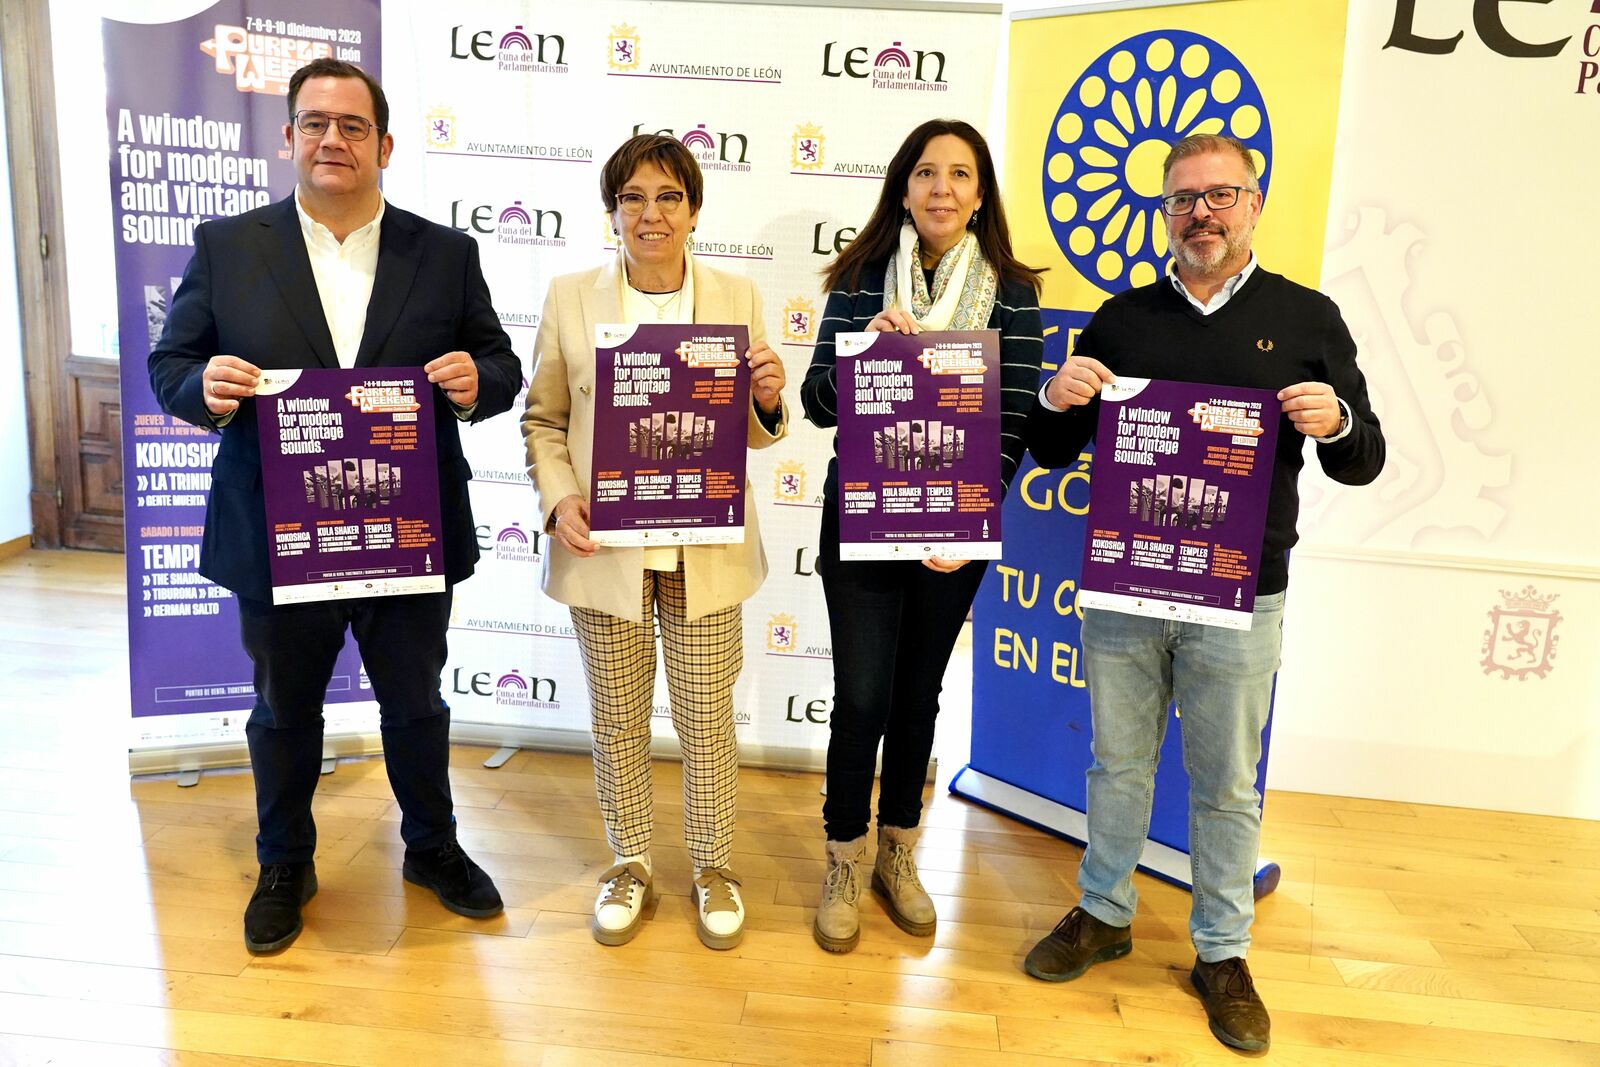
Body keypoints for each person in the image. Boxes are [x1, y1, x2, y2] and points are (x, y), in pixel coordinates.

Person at [1020, 133, 1385, 1052]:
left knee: (1225, 784)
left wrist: (1337, 420)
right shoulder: (1122, 316)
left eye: (1220, 196)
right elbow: (1055, 451)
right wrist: (1058, 397)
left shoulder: (1309, 318)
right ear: (1165, 213)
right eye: (1183, 200)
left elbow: (1365, 459)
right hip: (1128, 584)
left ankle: (1222, 951)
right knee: (1117, 764)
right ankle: (1103, 913)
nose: (1201, 215)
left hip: (1241, 596)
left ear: (1254, 203)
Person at [147, 59, 520, 953]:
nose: (332, 140)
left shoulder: (445, 252)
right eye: (314, 123)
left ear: (384, 145)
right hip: (278, 532)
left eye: (352, 126)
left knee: (416, 702)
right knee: (284, 709)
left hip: (406, 530)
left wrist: (477, 383)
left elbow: (500, 364)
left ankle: (431, 847)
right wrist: (205, 383)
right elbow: (170, 366)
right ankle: (285, 861)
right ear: (288, 138)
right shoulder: (230, 246)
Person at [522, 134, 788, 951]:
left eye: (668, 197)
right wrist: (560, 498)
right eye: (633, 197)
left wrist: (769, 399)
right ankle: (630, 860)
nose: (651, 213)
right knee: (617, 718)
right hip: (606, 552)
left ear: (695, 211)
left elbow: (751, 432)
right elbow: (545, 420)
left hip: (703, 551)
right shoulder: (570, 297)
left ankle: (713, 865)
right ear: (613, 213)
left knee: (708, 719)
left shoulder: (737, 295)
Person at [800, 119, 1044, 953]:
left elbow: (1013, 416)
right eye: (927, 173)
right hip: (862, 518)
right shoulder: (865, 277)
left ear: (980, 195)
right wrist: (863, 352)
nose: (942, 188)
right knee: (862, 695)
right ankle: (844, 854)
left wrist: (973, 518)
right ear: (903, 186)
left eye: (961, 174)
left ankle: (898, 852)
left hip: (954, 530)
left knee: (917, 696)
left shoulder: (1011, 290)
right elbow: (818, 403)